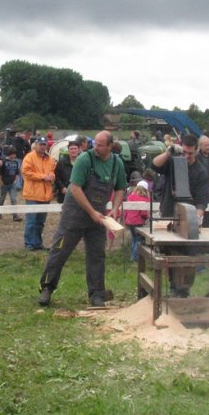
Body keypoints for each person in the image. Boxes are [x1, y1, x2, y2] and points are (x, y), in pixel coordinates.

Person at [38, 131, 126, 307]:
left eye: (100, 145)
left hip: (98, 217)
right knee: (59, 250)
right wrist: (92, 212)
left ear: (110, 146)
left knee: (97, 255)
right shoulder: (85, 159)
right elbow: (75, 188)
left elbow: (120, 188)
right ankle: (47, 288)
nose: (95, 147)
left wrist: (115, 208)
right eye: (95, 143)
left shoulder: (117, 163)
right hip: (74, 214)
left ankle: (97, 294)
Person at [150, 134, 209, 297]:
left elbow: (202, 200)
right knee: (170, 254)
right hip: (169, 215)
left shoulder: (200, 171)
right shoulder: (172, 163)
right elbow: (154, 165)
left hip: (188, 220)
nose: (186, 156)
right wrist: (169, 152)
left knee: (188, 255)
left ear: (196, 151)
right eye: (184, 152)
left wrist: (196, 219)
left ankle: (184, 289)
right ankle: (172, 287)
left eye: (190, 153)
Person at [22, 137, 57, 251]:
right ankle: (29, 244)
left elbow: (52, 171)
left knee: (40, 222)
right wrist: (43, 177)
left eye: (44, 144)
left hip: (46, 195)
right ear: (35, 145)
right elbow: (26, 173)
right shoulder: (29, 157)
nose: (42, 146)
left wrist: (52, 176)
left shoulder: (50, 159)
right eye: (40, 144)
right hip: (32, 194)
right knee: (31, 221)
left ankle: (37, 243)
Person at [124, 180, 151, 261]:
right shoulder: (145, 199)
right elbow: (143, 213)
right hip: (138, 221)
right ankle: (134, 257)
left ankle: (132, 255)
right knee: (138, 239)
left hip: (129, 221)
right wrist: (147, 217)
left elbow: (126, 210)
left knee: (134, 238)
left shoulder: (130, 196)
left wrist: (125, 219)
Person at [0, 146, 22, 221]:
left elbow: (17, 172)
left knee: (13, 199)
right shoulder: (4, 161)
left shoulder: (15, 162)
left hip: (12, 184)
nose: (14, 156)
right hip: (4, 183)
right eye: (13, 154)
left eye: (15, 154)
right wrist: (1, 181)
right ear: (9, 154)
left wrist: (15, 180)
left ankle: (15, 215)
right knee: (2, 199)